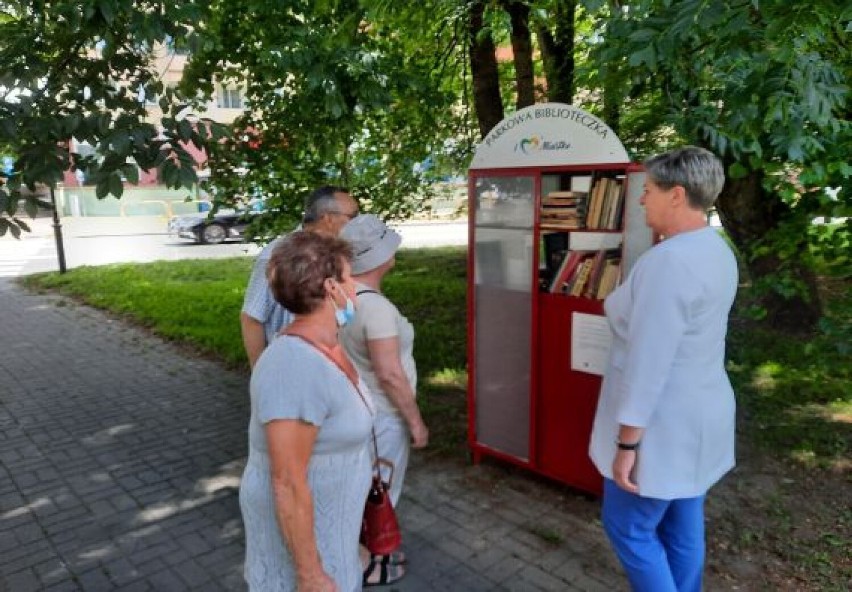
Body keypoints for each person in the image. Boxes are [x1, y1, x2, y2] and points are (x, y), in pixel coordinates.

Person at [588, 146, 738, 592]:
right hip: (699, 415)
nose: (640, 199)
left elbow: (648, 363)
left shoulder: (669, 262)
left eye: (648, 190)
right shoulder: (715, 248)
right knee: (682, 524)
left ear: (676, 195)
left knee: (628, 528)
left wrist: (627, 443)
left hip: (662, 424)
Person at [240, 231, 375, 592]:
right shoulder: (293, 365)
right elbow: (286, 480)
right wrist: (310, 574)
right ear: (332, 287)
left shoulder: (326, 346)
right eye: (349, 277)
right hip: (306, 563)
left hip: (331, 538)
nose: (355, 285)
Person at [339, 215, 429, 580]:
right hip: (383, 418)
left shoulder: (344, 296)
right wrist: (416, 422)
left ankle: (361, 554)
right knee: (380, 491)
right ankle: (371, 564)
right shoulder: (375, 309)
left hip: (357, 408)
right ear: (378, 255)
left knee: (363, 485)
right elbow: (390, 374)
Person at [241, 185, 358, 368]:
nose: (358, 223)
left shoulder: (338, 255)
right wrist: (261, 373)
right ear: (328, 218)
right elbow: (252, 319)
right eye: (353, 217)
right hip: (290, 365)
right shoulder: (276, 255)